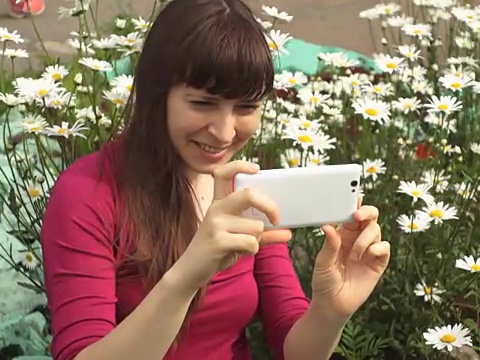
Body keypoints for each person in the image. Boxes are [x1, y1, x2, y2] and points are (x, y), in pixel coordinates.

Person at [39, 0, 391, 360]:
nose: (224, 133)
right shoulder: (87, 194)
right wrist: (188, 274)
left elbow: (294, 349)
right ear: (156, 95)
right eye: (203, 103)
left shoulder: (248, 188)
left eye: (246, 108)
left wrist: (331, 310)